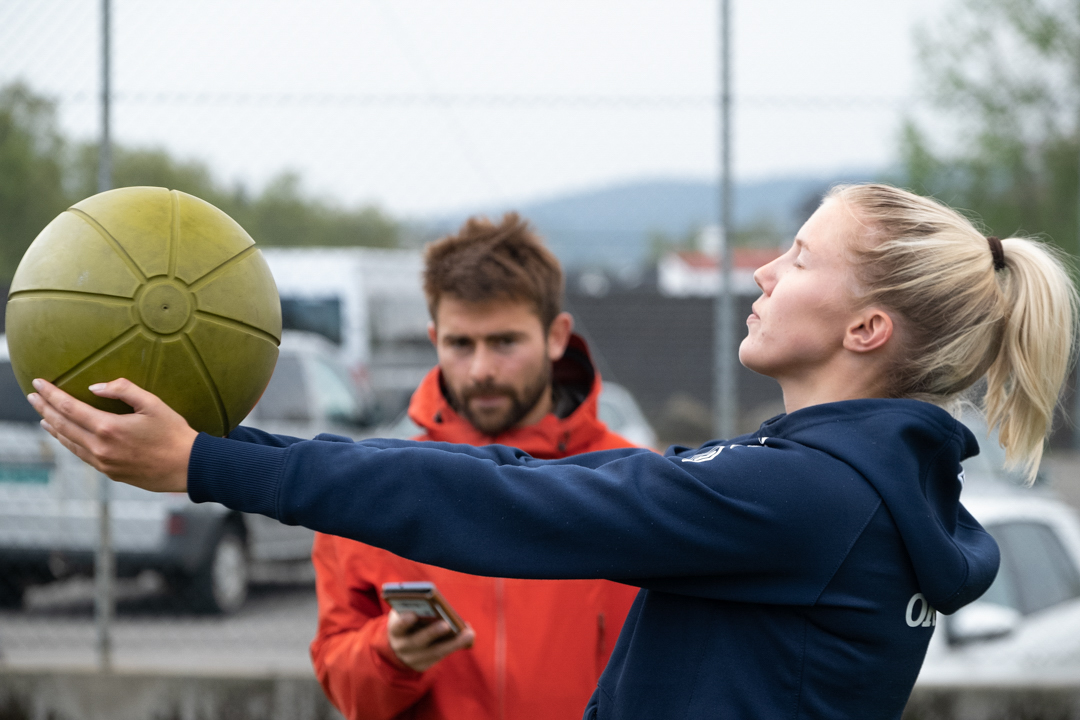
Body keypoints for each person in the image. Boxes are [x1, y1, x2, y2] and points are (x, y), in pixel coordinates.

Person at [29, 183, 1079, 720]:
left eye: (799, 258)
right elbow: (520, 483)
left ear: (867, 328)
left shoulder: (813, 498)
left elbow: (512, 502)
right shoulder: (843, 486)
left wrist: (209, 462)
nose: (765, 273)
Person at [309, 213, 640, 720]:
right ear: (434, 338)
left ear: (556, 336)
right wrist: (390, 654)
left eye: (505, 342)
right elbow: (342, 681)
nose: (482, 369)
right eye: (460, 344)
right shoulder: (373, 489)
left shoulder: (632, 485)